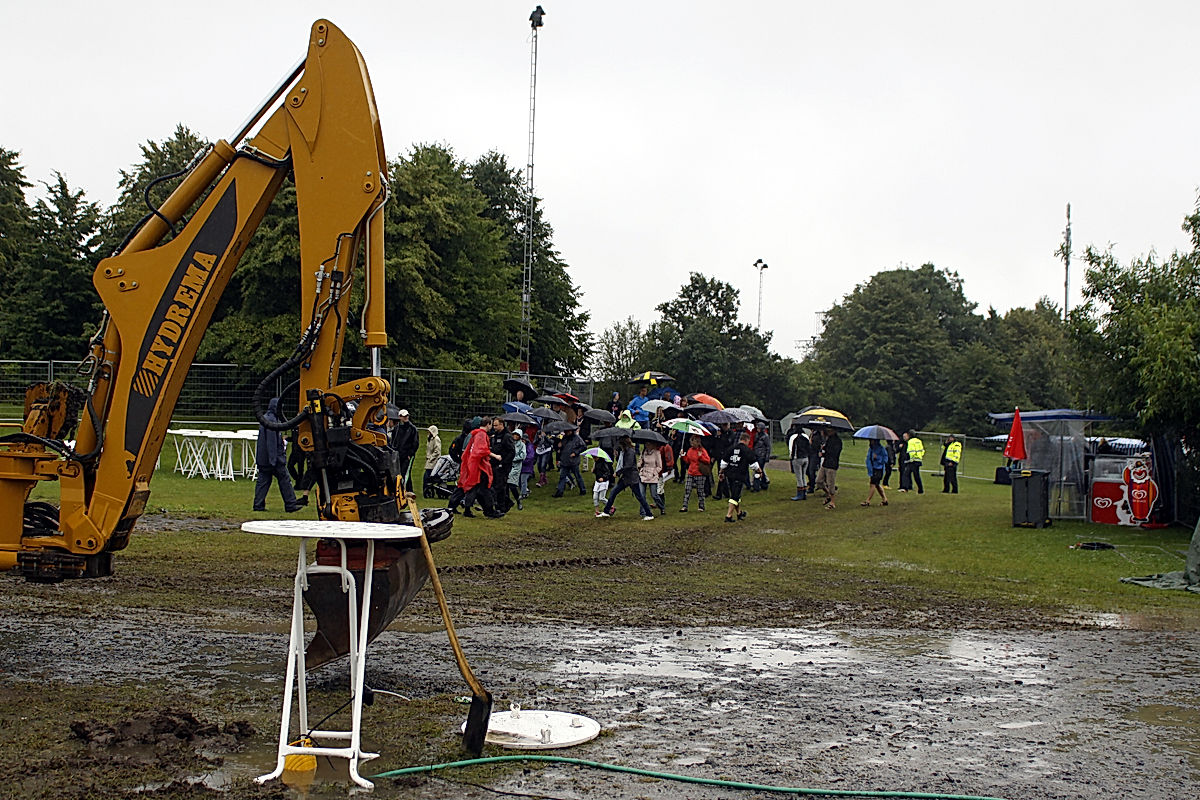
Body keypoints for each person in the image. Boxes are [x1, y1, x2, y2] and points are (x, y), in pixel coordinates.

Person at [254, 397, 302, 512]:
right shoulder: (272, 421)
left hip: (263, 459)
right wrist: (274, 460)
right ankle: (290, 504)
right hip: (273, 459)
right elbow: (271, 442)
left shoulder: (266, 418)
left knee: (263, 482)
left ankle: (258, 505)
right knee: (285, 480)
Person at [598, 434, 654, 520]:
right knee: (613, 492)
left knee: (639, 496)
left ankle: (649, 514)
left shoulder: (630, 452)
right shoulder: (624, 452)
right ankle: (606, 511)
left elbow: (628, 465)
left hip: (631, 478)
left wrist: (618, 473)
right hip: (626, 477)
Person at [720, 430, 760, 522]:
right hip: (739, 475)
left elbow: (724, 462)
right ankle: (728, 516)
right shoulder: (746, 450)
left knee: (735, 494)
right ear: (746, 440)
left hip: (729, 474)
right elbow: (754, 464)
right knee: (734, 496)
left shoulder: (731, 448)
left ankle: (739, 513)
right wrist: (759, 471)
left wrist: (721, 472)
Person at [388, 408, 419, 491]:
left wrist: (410, 454)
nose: (405, 418)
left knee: (405, 472)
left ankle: (403, 490)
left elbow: (415, 443)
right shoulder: (396, 429)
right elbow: (394, 441)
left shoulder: (412, 429)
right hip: (398, 454)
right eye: (403, 416)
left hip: (407, 455)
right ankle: (408, 489)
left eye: (406, 416)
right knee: (399, 472)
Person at [491, 417, 517, 513]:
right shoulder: (495, 436)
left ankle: (501, 506)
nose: (494, 427)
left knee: (500, 486)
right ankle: (506, 502)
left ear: (502, 425)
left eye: (496, 425)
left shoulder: (507, 436)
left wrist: (504, 463)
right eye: (494, 425)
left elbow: (512, 452)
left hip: (503, 466)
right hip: (495, 464)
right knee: (497, 485)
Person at [679, 434, 711, 511]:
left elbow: (708, 461)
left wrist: (701, 457)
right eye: (691, 442)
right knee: (687, 489)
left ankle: (701, 506)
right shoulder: (690, 450)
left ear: (698, 442)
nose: (691, 444)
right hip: (691, 472)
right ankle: (685, 506)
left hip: (699, 473)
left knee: (700, 491)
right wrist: (683, 456)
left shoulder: (702, 451)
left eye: (693, 442)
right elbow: (688, 461)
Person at [553, 428, 587, 497]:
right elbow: (560, 448)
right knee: (562, 477)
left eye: (567, 431)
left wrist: (575, 453)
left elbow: (583, 447)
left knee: (577, 476)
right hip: (564, 460)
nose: (566, 432)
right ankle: (559, 492)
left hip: (573, 461)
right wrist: (559, 446)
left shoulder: (577, 438)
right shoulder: (564, 438)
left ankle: (583, 490)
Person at [815, 428, 842, 509]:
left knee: (831, 484)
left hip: (832, 465)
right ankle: (828, 495)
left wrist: (825, 452)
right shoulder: (827, 439)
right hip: (825, 463)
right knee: (819, 481)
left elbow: (834, 453)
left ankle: (832, 503)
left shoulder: (837, 441)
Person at [639, 441, 667, 516]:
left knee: (654, 494)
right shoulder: (643, 452)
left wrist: (654, 473)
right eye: (646, 444)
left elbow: (659, 466)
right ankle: (643, 511)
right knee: (641, 494)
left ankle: (662, 507)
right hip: (643, 474)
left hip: (653, 475)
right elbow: (640, 462)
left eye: (649, 444)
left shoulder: (657, 453)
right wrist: (639, 464)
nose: (647, 445)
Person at [861, 439, 889, 507]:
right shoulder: (871, 449)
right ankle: (885, 500)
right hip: (873, 469)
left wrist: (877, 458)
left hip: (878, 469)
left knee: (872, 484)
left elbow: (885, 459)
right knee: (877, 485)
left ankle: (868, 501)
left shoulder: (881, 449)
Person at [507, 429, 527, 510]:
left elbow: (523, 455)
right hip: (508, 465)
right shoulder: (510, 443)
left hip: (516, 467)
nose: (515, 436)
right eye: (514, 434)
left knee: (512, 485)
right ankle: (507, 502)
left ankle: (518, 500)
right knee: (505, 485)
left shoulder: (522, 445)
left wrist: (513, 458)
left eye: (517, 435)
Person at [788, 425, 810, 501]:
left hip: (797, 458)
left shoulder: (793, 437)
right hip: (806, 458)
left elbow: (791, 448)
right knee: (803, 475)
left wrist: (791, 457)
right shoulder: (806, 436)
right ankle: (805, 492)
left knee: (799, 477)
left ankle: (800, 493)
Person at [421, 425, 442, 496]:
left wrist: (431, 458)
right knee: (427, 477)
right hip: (430, 460)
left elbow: (437, 451)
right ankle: (427, 491)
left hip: (434, 461)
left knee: (427, 476)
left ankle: (428, 491)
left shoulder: (436, 439)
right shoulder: (430, 439)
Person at [591, 451, 613, 516]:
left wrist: (603, 478)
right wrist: (593, 470)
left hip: (604, 482)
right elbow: (596, 472)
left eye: (595, 457)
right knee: (595, 497)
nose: (594, 458)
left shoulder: (603, 463)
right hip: (597, 482)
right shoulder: (595, 463)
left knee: (602, 498)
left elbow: (608, 472)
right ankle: (597, 511)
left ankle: (611, 506)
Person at [752, 421, 772, 491]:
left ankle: (756, 486)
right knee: (760, 470)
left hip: (762, 456)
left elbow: (768, 447)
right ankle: (764, 483)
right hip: (756, 454)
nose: (757, 429)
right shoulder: (757, 435)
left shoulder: (765, 436)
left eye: (758, 428)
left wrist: (767, 457)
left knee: (758, 470)